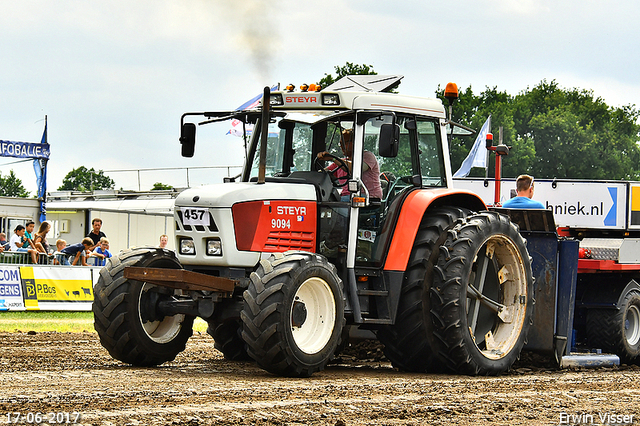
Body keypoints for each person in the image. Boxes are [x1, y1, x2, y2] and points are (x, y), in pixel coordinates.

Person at [317, 128, 383, 200]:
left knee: (337, 204)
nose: (341, 146)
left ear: (354, 142)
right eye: (340, 144)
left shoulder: (368, 156)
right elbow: (321, 174)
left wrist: (333, 159)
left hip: (368, 198)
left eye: (344, 143)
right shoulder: (340, 162)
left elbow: (354, 169)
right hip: (347, 197)